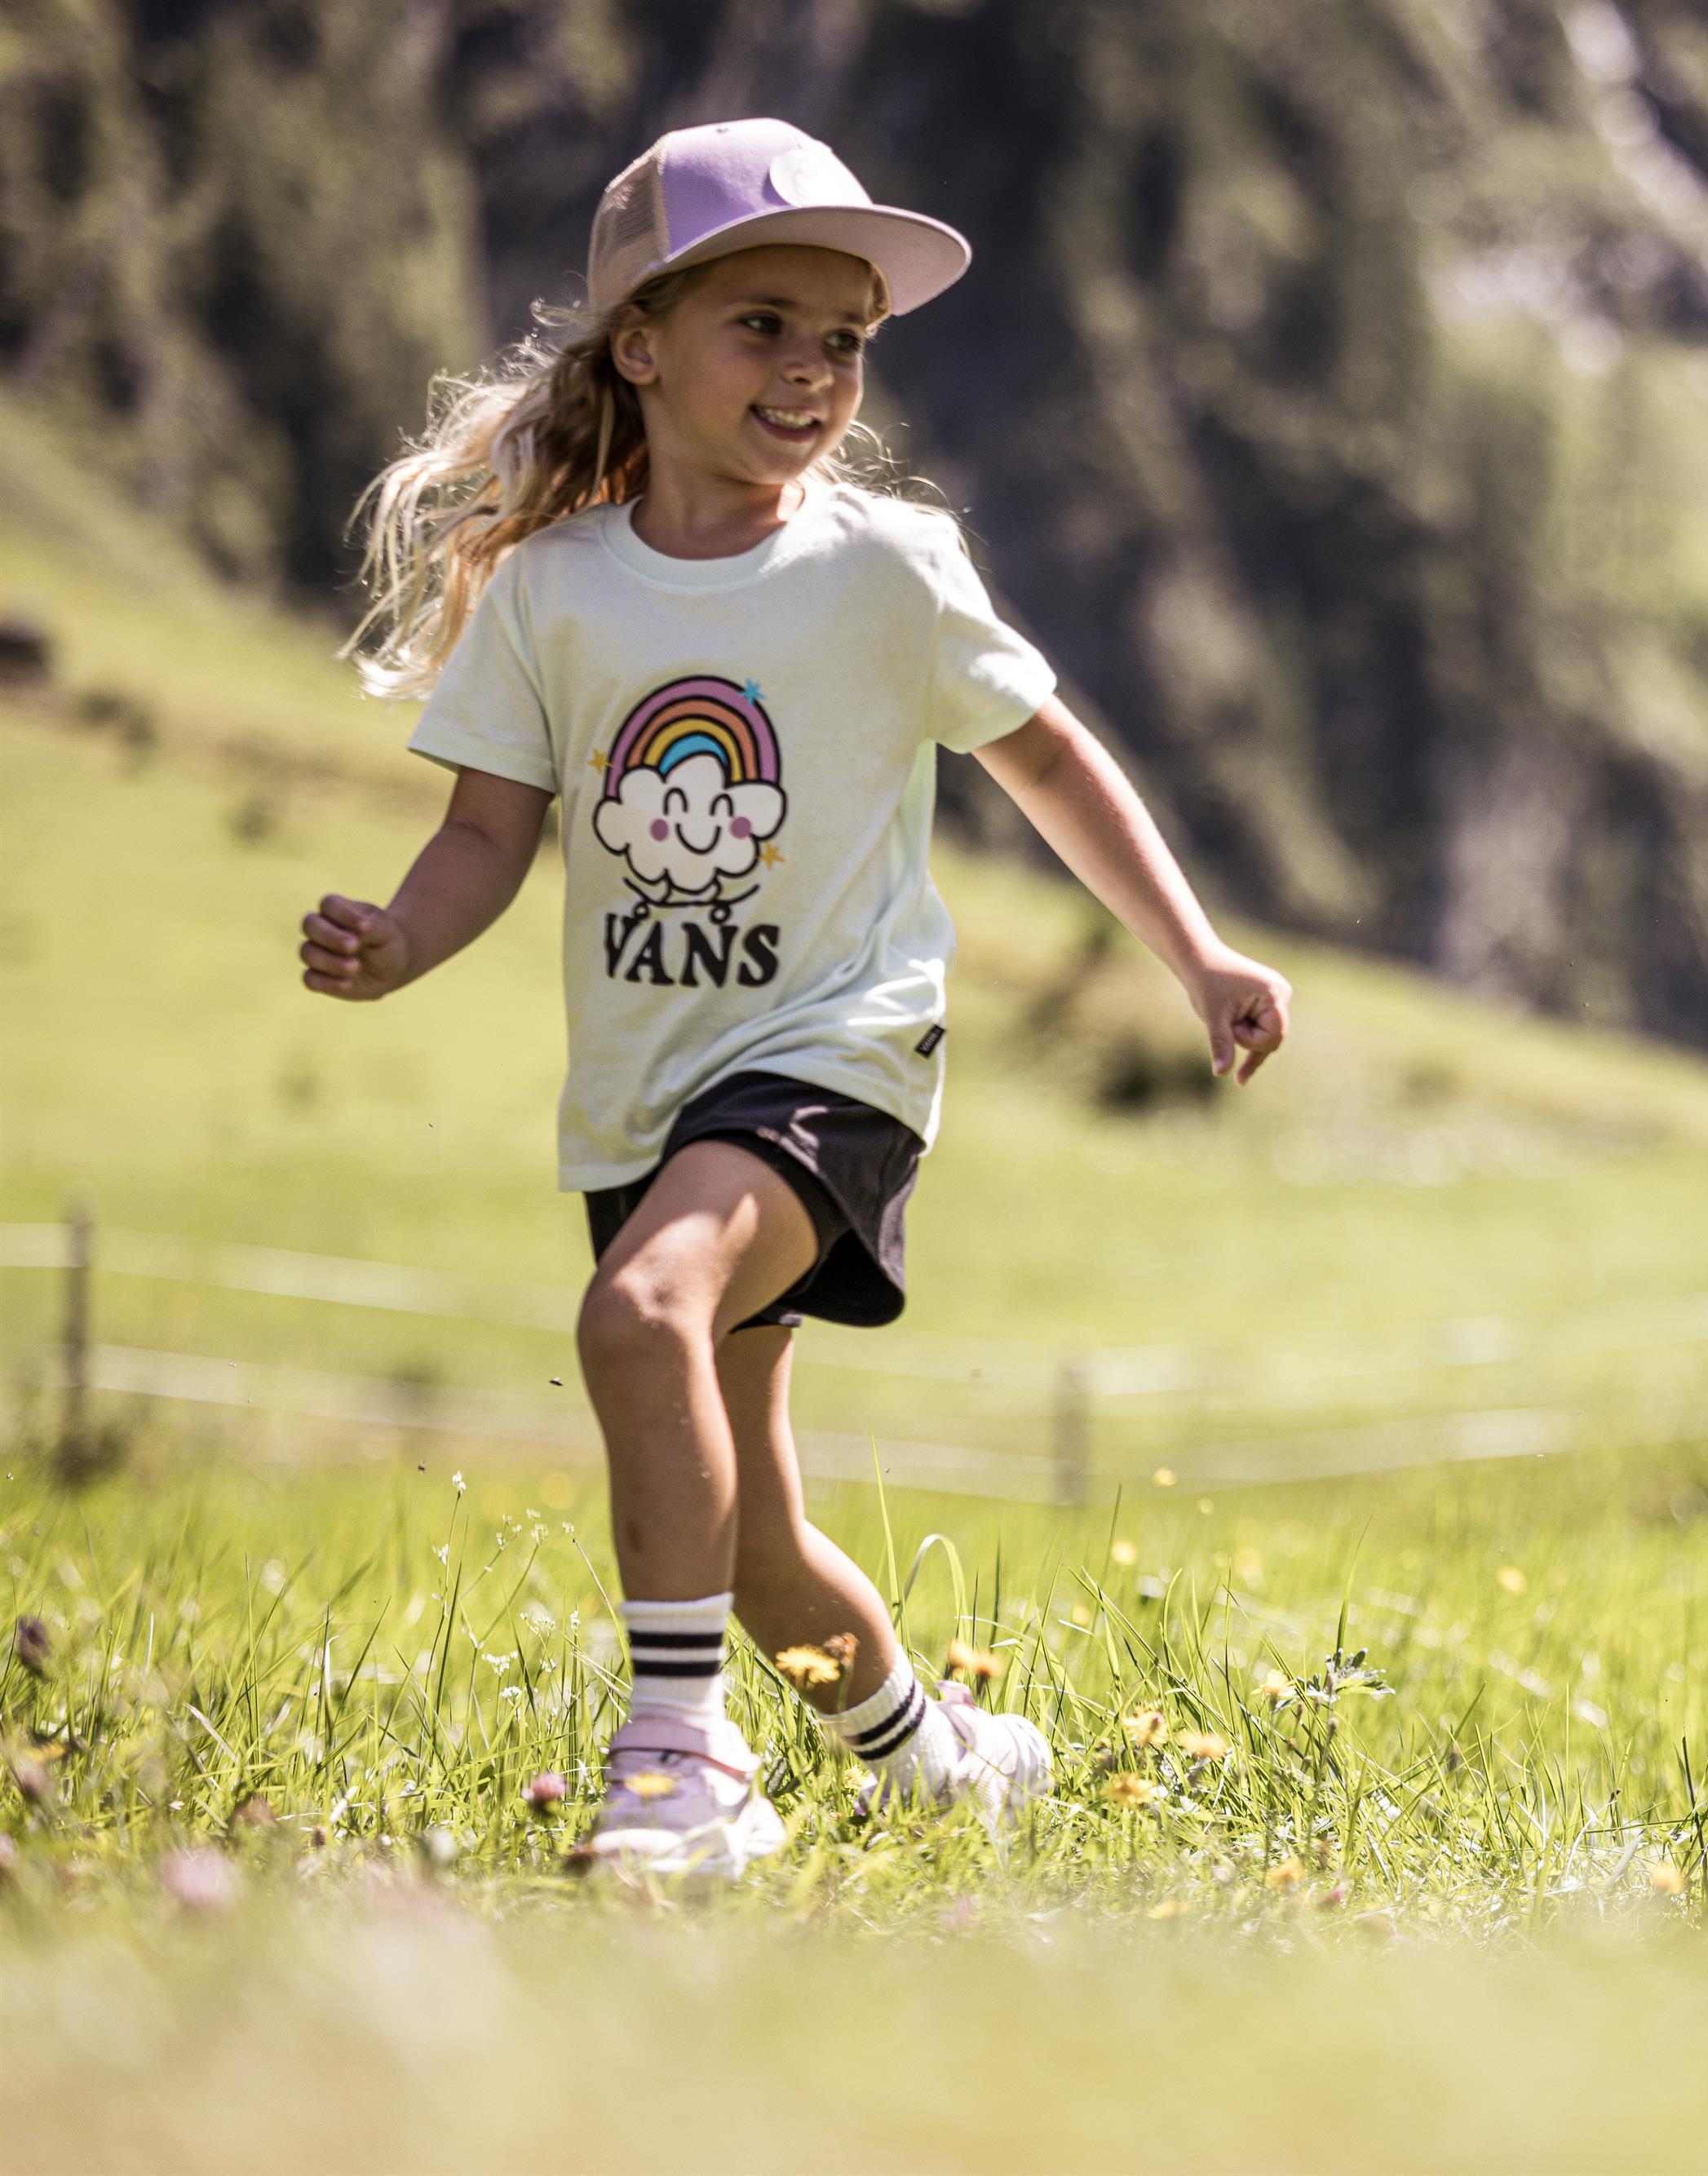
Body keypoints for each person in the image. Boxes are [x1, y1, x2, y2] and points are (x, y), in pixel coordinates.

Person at [300, 119, 1292, 1878]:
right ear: (640, 345)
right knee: (749, 1538)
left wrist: (1197, 953)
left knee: (638, 1314)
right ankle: (941, 1764)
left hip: (836, 1055)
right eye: (763, 324)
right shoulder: (552, 591)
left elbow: (1049, 762)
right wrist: (397, 939)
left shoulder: (886, 568)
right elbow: (484, 834)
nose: (815, 369)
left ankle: (680, 1763)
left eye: (845, 339)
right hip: (646, 1089)